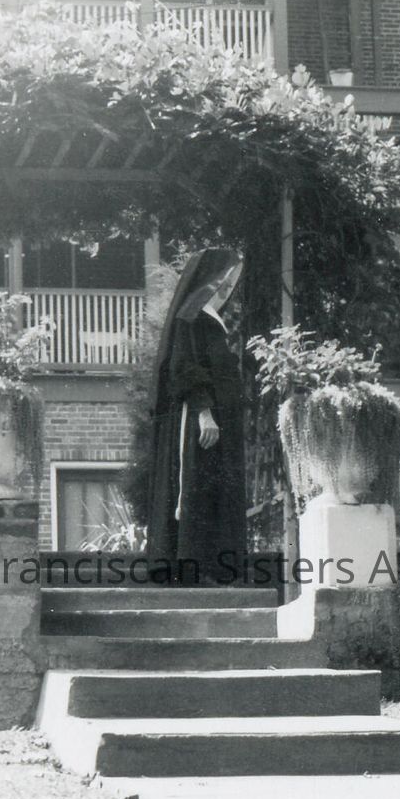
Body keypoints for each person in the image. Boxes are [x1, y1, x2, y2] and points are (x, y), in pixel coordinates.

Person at [145, 247, 248, 581]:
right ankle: (192, 567)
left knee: (213, 490)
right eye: (222, 281)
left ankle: (212, 567)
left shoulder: (211, 320)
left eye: (230, 283)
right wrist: (204, 413)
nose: (226, 289)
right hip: (199, 421)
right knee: (196, 488)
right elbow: (184, 367)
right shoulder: (191, 318)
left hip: (219, 420)